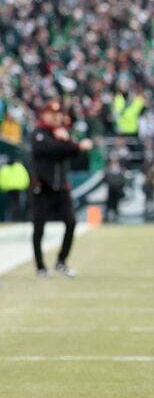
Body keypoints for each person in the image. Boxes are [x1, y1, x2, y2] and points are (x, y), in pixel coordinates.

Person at [29, 101, 92, 278]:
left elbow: (73, 153)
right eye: (52, 113)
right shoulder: (39, 134)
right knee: (39, 228)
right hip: (43, 188)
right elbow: (51, 149)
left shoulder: (62, 134)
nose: (56, 117)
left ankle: (61, 261)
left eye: (58, 114)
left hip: (61, 188)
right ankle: (40, 266)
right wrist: (72, 143)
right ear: (44, 115)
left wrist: (70, 142)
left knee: (71, 223)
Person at [103, 157, 127, 223]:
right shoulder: (107, 169)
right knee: (110, 203)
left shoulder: (121, 170)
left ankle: (116, 216)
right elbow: (105, 179)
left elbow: (122, 179)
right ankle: (109, 216)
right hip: (110, 189)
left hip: (117, 189)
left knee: (116, 203)